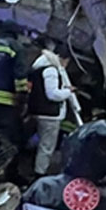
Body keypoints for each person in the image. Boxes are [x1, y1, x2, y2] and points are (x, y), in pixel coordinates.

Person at [27, 47, 77, 177]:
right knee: (46, 147)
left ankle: (32, 168)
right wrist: (68, 91)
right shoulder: (51, 70)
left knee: (37, 141)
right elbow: (52, 94)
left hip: (38, 111)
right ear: (63, 59)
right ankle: (40, 174)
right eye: (67, 62)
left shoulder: (39, 68)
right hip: (50, 114)